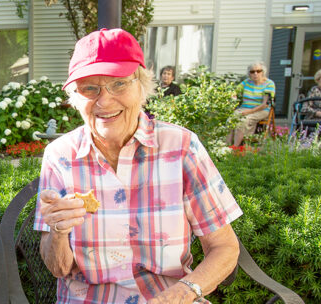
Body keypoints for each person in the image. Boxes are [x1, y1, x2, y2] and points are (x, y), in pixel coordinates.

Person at [33, 28, 242, 304]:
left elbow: (224, 248)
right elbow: (58, 268)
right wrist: (59, 232)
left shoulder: (180, 146)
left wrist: (180, 294)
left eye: (119, 83)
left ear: (141, 86)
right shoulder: (60, 156)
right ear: (75, 97)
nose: (104, 100)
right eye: (89, 88)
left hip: (171, 297)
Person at [226, 61, 275, 146]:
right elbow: (234, 91)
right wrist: (233, 96)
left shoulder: (269, 84)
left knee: (243, 121)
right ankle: (226, 145)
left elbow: (265, 104)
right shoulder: (246, 82)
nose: (255, 74)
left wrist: (249, 112)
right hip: (244, 108)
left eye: (258, 71)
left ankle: (235, 147)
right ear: (249, 74)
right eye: (252, 72)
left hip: (261, 110)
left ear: (263, 72)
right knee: (230, 120)